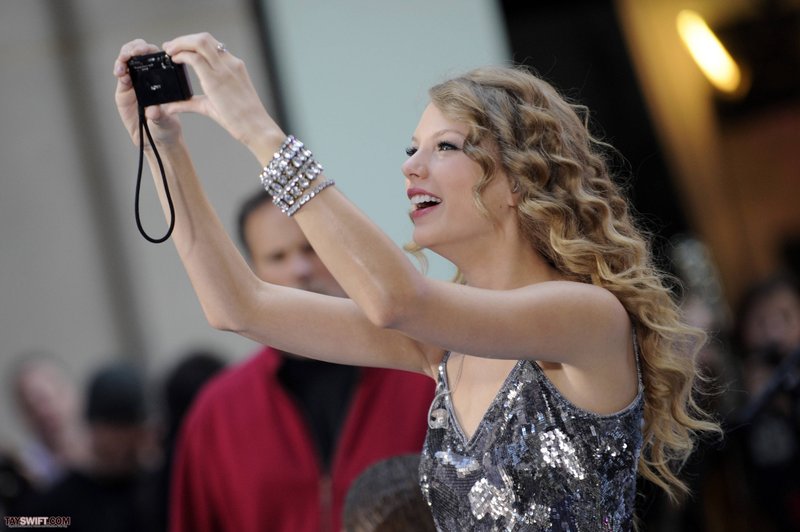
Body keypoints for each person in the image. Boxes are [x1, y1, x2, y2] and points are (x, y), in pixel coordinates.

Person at [113, 34, 719, 530]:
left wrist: (260, 132)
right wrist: (163, 149)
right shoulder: (441, 349)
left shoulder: (586, 316)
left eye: (445, 146)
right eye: (411, 147)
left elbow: (396, 299)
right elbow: (238, 306)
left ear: (518, 183)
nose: (411, 165)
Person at [168, 189, 434, 532]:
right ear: (254, 275)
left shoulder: (424, 376)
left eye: (312, 248)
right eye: (277, 257)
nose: (300, 269)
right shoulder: (216, 415)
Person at [21, 362, 159, 532]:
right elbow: (23, 523)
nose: (138, 441)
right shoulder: (66, 500)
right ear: (98, 429)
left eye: (142, 431)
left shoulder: (157, 485)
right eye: (124, 432)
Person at [10, 352, 89, 490]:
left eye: (46, 398)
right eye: (30, 406)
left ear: (71, 393)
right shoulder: (27, 471)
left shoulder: (106, 451)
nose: (42, 411)